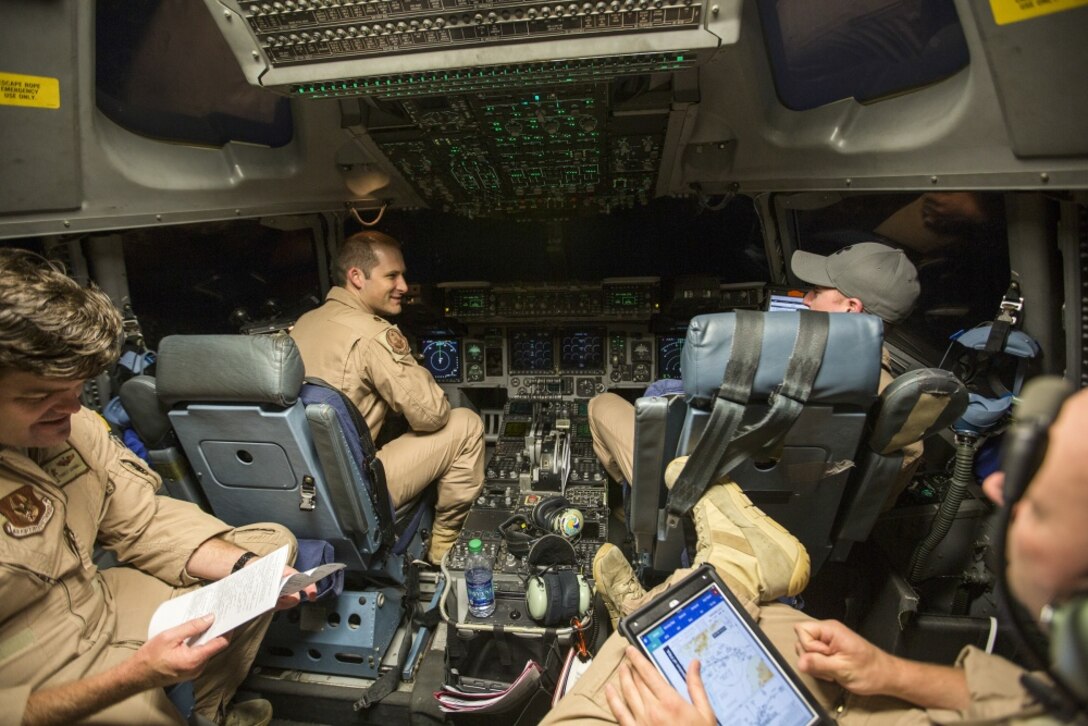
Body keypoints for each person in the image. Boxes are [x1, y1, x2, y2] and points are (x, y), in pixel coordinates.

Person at [546, 383, 1088, 725]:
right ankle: (707, 580)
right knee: (764, 619)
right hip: (857, 702)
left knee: (609, 684)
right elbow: (1016, 700)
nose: (998, 491)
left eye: (1038, 504)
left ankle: (680, 593)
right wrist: (889, 671)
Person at [0, 248, 318, 726]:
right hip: (28, 667)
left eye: (76, 388)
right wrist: (133, 676)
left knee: (271, 549)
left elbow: (141, 520)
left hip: (98, 600)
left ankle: (210, 712)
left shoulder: (75, 424)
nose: (70, 410)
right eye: (39, 396)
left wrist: (248, 570)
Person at [588, 241, 924, 518]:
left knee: (606, 403)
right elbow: (867, 505)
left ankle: (635, 504)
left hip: (695, 500)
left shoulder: (756, 361)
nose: (805, 298)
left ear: (850, 307)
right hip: (800, 520)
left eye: (817, 291)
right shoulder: (897, 407)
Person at [289, 231, 485, 564]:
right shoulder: (372, 334)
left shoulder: (303, 324)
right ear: (356, 277)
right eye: (392, 276)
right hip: (350, 493)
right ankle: (442, 551)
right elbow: (431, 415)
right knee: (465, 424)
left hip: (300, 487)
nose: (404, 286)